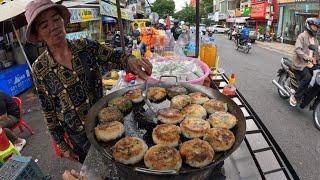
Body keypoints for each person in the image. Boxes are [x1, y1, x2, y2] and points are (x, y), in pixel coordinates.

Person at [25, 0, 152, 163]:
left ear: (63, 21)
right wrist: (63, 146)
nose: (54, 26)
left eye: (56, 19)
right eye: (44, 25)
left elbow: (114, 57)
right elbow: (48, 111)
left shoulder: (85, 46)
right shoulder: (40, 68)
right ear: (38, 35)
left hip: (106, 118)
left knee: (122, 158)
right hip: (77, 133)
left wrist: (131, 60)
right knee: (95, 165)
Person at [290, 18, 320, 107]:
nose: (315, 29)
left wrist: (316, 58)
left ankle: (308, 96)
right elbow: (298, 49)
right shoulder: (302, 36)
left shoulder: (315, 40)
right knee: (308, 77)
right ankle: (295, 96)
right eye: (314, 26)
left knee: (317, 78)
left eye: (317, 27)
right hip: (301, 63)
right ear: (308, 25)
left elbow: (318, 51)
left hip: (311, 64)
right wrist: (308, 58)